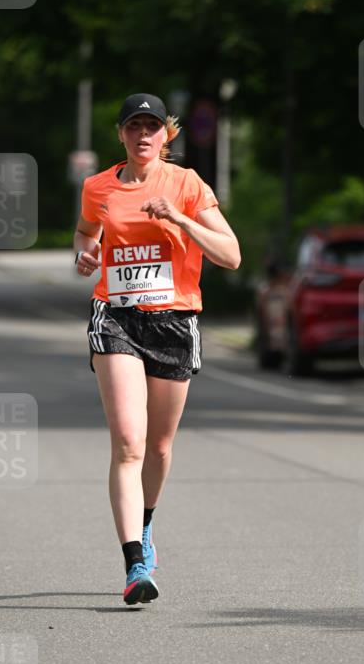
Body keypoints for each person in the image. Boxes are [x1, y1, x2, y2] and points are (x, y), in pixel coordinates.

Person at [73, 93, 241, 606]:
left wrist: (181, 220)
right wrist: (85, 255)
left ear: (166, 136)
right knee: (128, 441)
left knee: (159, 448)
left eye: (152, 127)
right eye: (133, 127)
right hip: (117, 317)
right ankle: (133, 565)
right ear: (121, 134)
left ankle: (145, 526)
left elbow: (231, 256)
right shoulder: (97, 186)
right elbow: (85, 233)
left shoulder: (187, 184)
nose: (142, 135)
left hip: (175, 319)